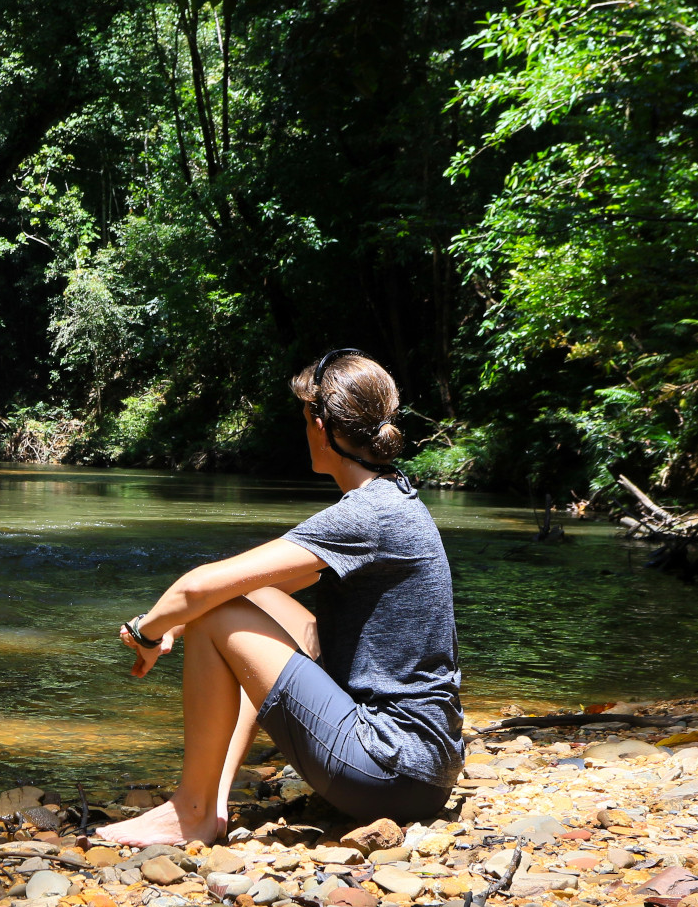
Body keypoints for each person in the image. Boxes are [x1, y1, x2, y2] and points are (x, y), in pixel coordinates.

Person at [97, 349, 462, 847]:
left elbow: (198, 586)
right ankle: (213, 802)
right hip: (424, 770)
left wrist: (147, 632)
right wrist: (178, 622)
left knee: (217, 610)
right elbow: (256, 589)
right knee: (249, 601)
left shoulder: (367, 515)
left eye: (303, 417)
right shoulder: (394, 496)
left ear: (321, 424)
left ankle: (193, 811)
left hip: (386, 771)